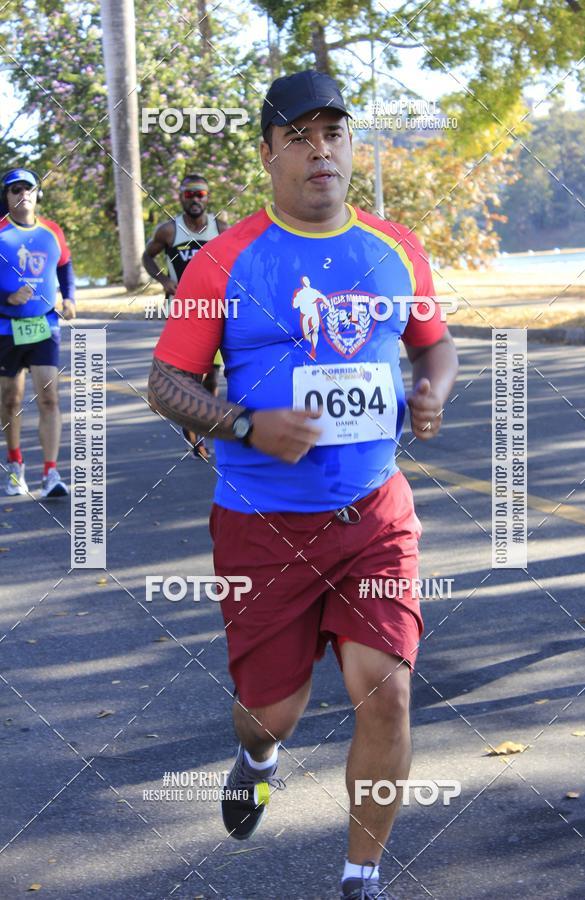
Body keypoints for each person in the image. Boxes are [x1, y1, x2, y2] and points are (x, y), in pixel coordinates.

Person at [148, 70, 458, 900]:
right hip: (264, 522)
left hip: (374, 514)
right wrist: (249, 425)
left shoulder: (397, 248)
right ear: (269, 153)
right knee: (271, 711)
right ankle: (257, 756)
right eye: (299, 136)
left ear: (351, 144)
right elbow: (166, 383)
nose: (320, 151)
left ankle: (362, 877)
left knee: (385, 692)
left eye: (334, 133)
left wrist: (433, 390)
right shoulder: (221, 261)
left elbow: (435, 342)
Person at [0, 167, 76, 498]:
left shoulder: (52, 231)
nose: (22, 194)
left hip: (44, 324)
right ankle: (16, 465)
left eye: (28, 188)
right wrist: (7, 297)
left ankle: (51, 473)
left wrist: (70, 296)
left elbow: (65, 265)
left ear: (37, 193)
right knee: (11, 399)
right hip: (5, 325)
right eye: (15, 190)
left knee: (49, 396)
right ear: (6, 196)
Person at [142, 173, 227, 461]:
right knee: (189, 375)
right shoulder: (169, 231)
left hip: (215, 309)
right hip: (183, 310)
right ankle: (194, 435)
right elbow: (147, 256)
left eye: (200, 194)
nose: (195, 200)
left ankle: (204, 427)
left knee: (212, 377)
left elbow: (237, 260)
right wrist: (165, 281)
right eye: (189, 194)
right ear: (180, 197)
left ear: (207, 196)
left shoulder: (221, 228)